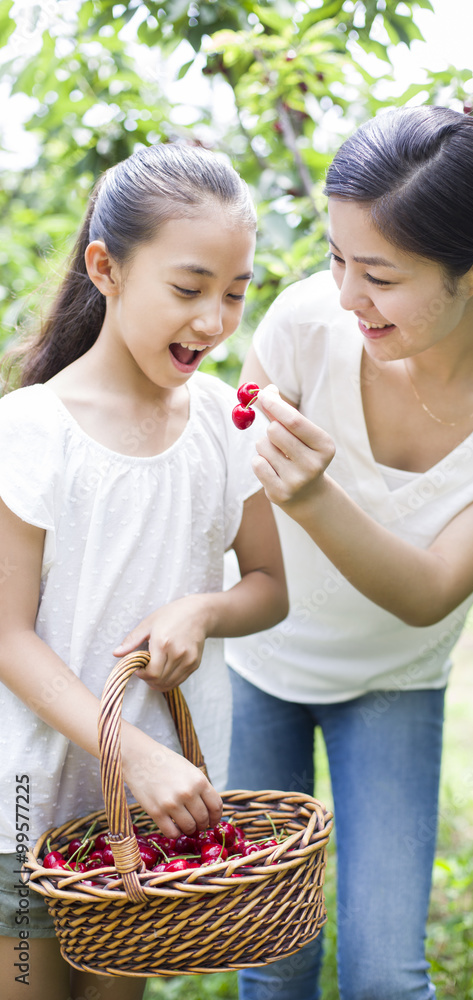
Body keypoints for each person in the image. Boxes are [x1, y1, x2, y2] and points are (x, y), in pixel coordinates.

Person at [225, 106, 473, 999]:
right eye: (336, 259)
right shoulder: (307, 323)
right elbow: (224, 475)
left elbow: (430, 589)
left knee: (384, 980)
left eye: (381, 276)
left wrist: (314, 495)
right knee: (271, 966)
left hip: (395, 678)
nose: (347, 294)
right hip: (256, 659)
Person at [0, 141, 287, 1000]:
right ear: (106, 267)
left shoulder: (224, 423)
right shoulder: (32, 431)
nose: (213, 321)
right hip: (29, 800)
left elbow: (269, 586)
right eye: (189, 289)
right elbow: (6, 635)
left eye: (235, 293)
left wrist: (203, 610)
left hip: (153, 820)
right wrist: (136, 757)